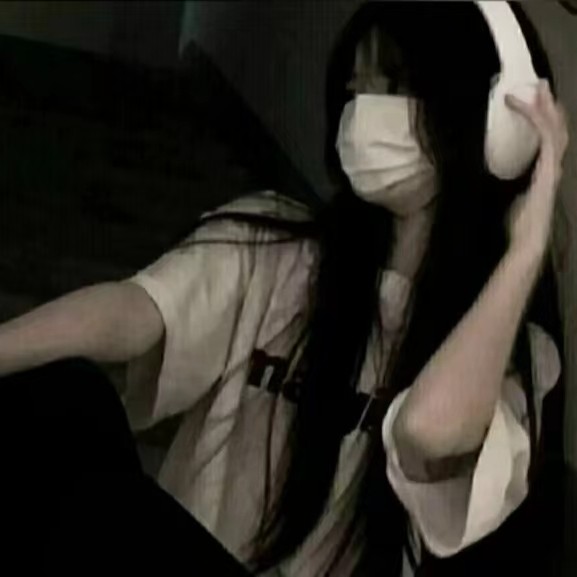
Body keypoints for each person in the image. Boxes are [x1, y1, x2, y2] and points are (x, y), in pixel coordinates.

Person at [0, 2, 569, 576]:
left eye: (394, 83)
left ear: (496, 128)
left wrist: (525, 249)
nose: (362, 108)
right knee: (64, 399)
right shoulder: (275, 246)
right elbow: (133, 313)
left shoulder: (506, 357)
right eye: (354, 88)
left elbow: (426, 431)